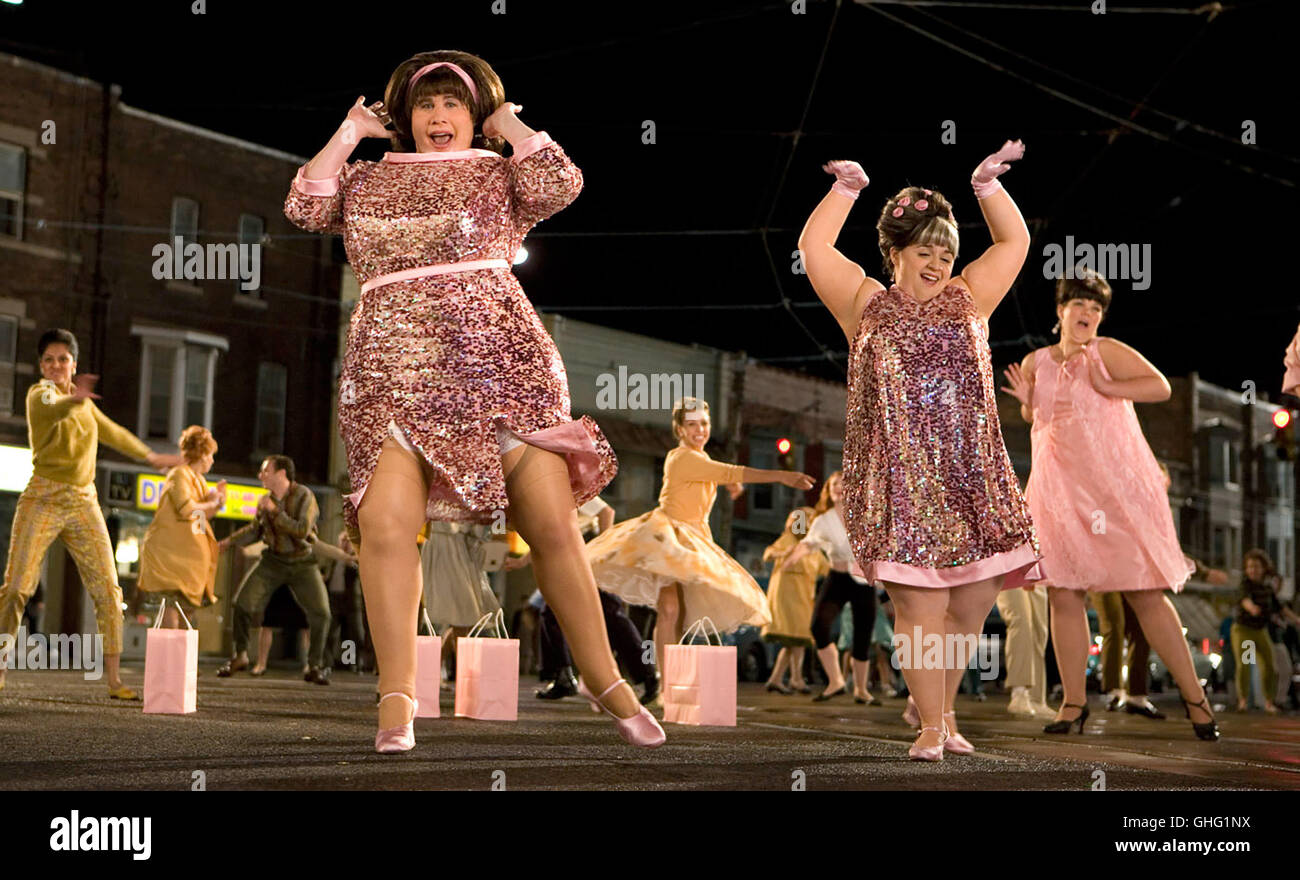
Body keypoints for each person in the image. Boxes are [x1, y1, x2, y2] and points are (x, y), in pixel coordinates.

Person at [284, 50, 663, 751]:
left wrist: (510, 123)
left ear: (473, 115)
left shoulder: (499, 170)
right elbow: (305, 206)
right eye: (425, 105)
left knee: (551, 526)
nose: (438, 117)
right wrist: (346, 132)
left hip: (501, 363)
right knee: (387, 528)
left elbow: (562, 183)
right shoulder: (365, 180)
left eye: (453, 105)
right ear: (404, 117)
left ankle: (606, 679)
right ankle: (397, 695)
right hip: (391, 365)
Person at [799, 142, 1043, 761]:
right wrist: (845, 191)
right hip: (898, 479)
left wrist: (987, 187)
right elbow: (815, 250)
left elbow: (1013, 245)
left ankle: (941, 706)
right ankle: (931, 725)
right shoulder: (863, 304)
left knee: (971, 605)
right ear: (895, 254)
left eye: (945, 251)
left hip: (972, 475)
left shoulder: (970, 297)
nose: (937, 262)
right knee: (922, 606)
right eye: (923, 250)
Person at [1001, 269, 1220, 740]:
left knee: (1144, 591)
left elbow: (1160, 386)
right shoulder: (1036, 360)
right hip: (1058, 493)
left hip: (1109, 494)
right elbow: (1036, 416)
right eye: (1080, 304)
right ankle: (1073, 704)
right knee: (1063, 592)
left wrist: (1109, 387)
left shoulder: (1106, 351)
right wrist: (1025, 402)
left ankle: (1195, 700)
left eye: (1097, 308)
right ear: (1060, 310)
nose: (1089, 314)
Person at [0, 329, 183, 698]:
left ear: (74, 364)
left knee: (109, 590)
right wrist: (75, 398)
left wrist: (152, 457)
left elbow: (113, 432)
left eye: (63, 359)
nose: (56, 366)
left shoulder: (84, 404)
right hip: (43, 496)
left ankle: (115, 681)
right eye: (49, 360)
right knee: (18, 586)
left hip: (84, 500)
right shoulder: (40, 394)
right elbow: (52, 407)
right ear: (41, 365)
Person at [586, 397, 813, 685]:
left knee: (678, 611)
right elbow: (728, 471)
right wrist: (783, 477)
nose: (699, 430)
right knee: (669, 608)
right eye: (691, 425)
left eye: (704, 423)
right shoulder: (681, 457)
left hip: (693, 537)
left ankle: (669, 676)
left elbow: (717, 473)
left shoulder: (700, 459)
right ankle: (663, 680)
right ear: (679, 429)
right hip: (668, 536)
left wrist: (731, 485)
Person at [519, 497, 658, 704]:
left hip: (587, 551)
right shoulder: (551, 492)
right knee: (552, 613)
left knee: (609, 613)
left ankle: (647, 675)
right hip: (573, 552)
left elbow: (606, 512)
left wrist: (601, 553)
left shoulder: (570, 488)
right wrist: (521, 561)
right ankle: (563, 676)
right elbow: (550, 538)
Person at [215, 455, 332, 686]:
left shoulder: (304, 496)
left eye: (265, 471)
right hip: (273, 561)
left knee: (322, 613)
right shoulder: (265, 500)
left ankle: (315, 665)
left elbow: (301, 530)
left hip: (302, 562)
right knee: (241, 604)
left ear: (281, 474)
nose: (261, 476)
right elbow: (256, 530)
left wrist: (276, 511)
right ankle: (240, 655)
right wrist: (228, 542)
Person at [781, 472, 878, 704]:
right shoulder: (823, 520)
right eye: (834, 484)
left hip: (863, 580)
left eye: (844, 484)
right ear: (829, 489)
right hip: (836, 578)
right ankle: (836, 681)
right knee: (818, 626)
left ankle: (862, 690)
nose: (838, 488)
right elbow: (808, 543)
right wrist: (791, 558)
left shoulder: (865, 516)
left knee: (863, 634)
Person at [137, 426, 225, 628]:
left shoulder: (199, 481)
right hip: (171, 557)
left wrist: (216, 503)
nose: (212, 460)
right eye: (210, 455)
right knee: (172, 605)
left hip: (188, 561)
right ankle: (171, 656)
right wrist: (211, 503)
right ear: (202, 454)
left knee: (186, 609)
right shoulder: (180, 475)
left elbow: (200, 520)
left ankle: (180, 655)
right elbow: (187, 509)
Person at [760, 505, 827, 695]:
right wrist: (784, 553)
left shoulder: (813, 546)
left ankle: (777, 678)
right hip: (786, 595)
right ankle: (795, 679)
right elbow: (768, 554)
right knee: (797, 638)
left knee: (795, 640)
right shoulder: (787, 540)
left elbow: (826, 568)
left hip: (804, 597)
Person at [1231, 549, 1300, 713]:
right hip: (1244, 630)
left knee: (1269, 664)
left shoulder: (1268, 588)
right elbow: (1244, 599)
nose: (1252, 570)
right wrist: (1252, 607)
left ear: (1263, 569)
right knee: (1246, 663)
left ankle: (1269, 701)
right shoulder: (1245, 585)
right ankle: (1243, 700)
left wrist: (1296, 619)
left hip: (1260, 630)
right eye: (1249, 567)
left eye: (1256, 567)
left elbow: (1280, 607)